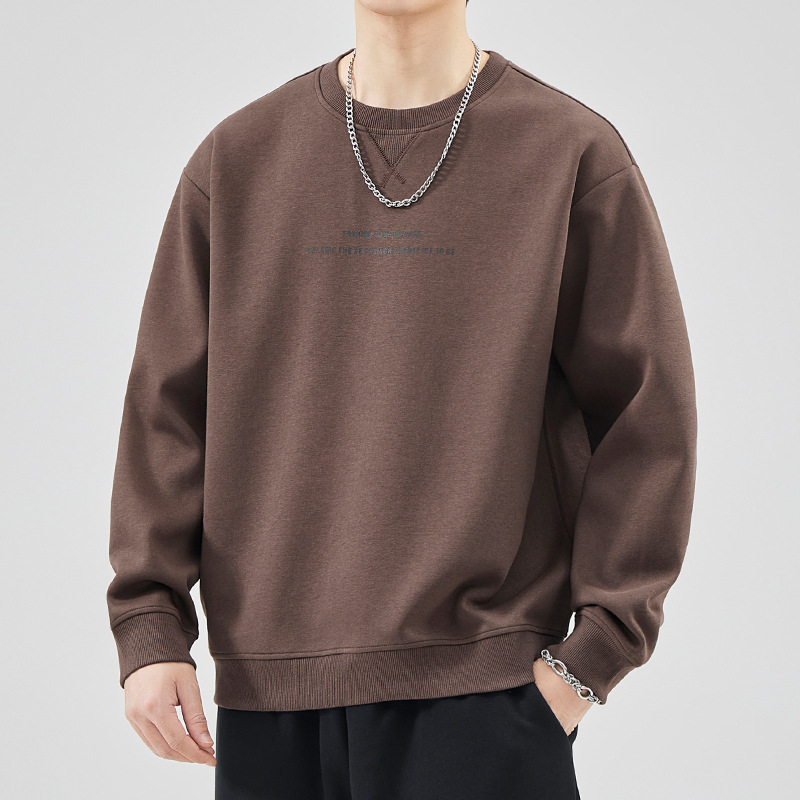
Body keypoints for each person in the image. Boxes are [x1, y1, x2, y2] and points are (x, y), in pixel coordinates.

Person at [106, 1, 698, 797]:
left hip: (486, 699)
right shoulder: (238, 159)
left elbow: (646, 418)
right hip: (270, 700)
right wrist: (149, 626)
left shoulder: (568, 153)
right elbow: (166, 413)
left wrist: (590, 660)